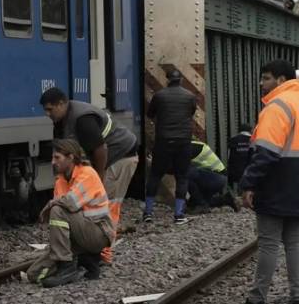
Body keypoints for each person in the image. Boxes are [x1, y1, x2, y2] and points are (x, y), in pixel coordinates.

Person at [241, 60, 299, 304]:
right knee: (294, 241)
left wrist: (248, 184)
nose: (262, 83)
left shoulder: (277, 107)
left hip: (277, 183)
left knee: (268, 243)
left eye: (266, 78)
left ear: (281, 80)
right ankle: (297, 296)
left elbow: (266, 153)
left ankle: (257, 297)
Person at [39, 87, 138, 263]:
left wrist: (97, 179)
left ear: (61, 104)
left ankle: (104, 254)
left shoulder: (82, 119)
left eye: (50, 109)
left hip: (120, 156)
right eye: (45, 110)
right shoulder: (61, 120)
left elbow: (101, 149)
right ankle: (86, 250)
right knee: (88, 205)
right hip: (106, 157)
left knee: (107, 204)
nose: (47, 114)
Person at [27, 139, 115, 287]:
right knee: (33, 274)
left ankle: (67, 267)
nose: (53, 162)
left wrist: (50, 204)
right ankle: (84, 261)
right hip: (78, 236)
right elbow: (59, 215)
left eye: (57, 158)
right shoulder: (60, 181)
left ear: (71, 157)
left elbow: (69, 203)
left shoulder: (87, 173)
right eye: (52, 158)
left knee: (57, 209)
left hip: (98, 233)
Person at [144, 69, 197, 224]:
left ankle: (148, 213)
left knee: (155, 175)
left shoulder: (159, 96)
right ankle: (179, 215)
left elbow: (150, 114)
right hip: (183, 142)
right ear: (181, 80)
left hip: (163, 141)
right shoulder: (189, 96)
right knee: (182, 177)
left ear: (167, 80)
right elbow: (191, 112)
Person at [186, 140, 240, 214]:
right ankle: (225, 200)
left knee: (186, 173)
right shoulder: (192, 145)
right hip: (216, 178)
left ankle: (201, 205)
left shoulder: (188, 148)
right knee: (191, 205)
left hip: (216, 178)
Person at [227, 123, 252, 191]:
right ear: (250, 130)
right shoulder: (253, 140)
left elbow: (229, 156)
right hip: (249, 171)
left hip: (236, 171)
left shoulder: (233, 140)